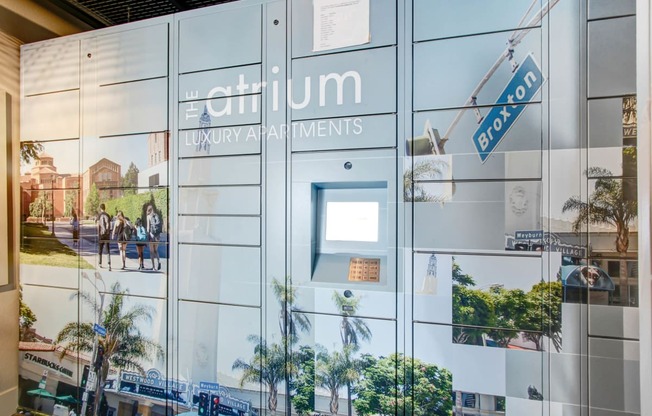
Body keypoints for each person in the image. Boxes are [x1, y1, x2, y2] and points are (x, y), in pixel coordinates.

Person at [146, 204, 162, 271]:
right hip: (157, 235)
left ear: (148, 210)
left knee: (152, 252)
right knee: (156, 250)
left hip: (151, 235)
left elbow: (148, 227)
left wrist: (147, 236)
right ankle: (159, 261)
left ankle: (154, 267)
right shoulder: (156, 215)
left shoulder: (148, 217)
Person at [97, 204, 111, 271]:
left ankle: (100, 263)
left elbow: (98, 225)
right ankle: (109, 264)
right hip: (107, 235)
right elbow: (109, 225)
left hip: (101, 234)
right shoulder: (107, 215)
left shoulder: (99, 215)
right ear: (105, 208)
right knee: (107, 249)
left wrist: (98, 234)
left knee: (100, 249)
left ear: (100, 208)